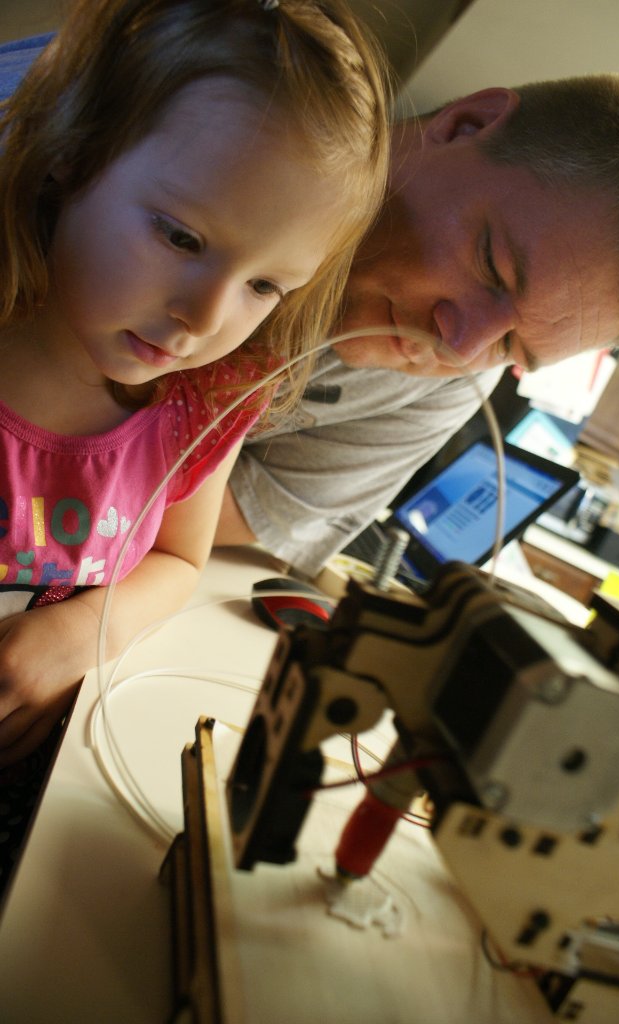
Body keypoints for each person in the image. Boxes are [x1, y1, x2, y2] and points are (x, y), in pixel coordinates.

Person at [0, 0, 390, 893]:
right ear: (73, 148)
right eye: (181, 237)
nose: (205, 319)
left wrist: (77, 635)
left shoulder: (200, 406)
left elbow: (180, 557)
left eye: (263, 283)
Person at [215, 72, 619, 578]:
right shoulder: (225, 129)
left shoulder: (459, 380)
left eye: (509, 344)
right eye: (491, 267)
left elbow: (241, 517)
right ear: (466, 123)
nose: (456, 346)